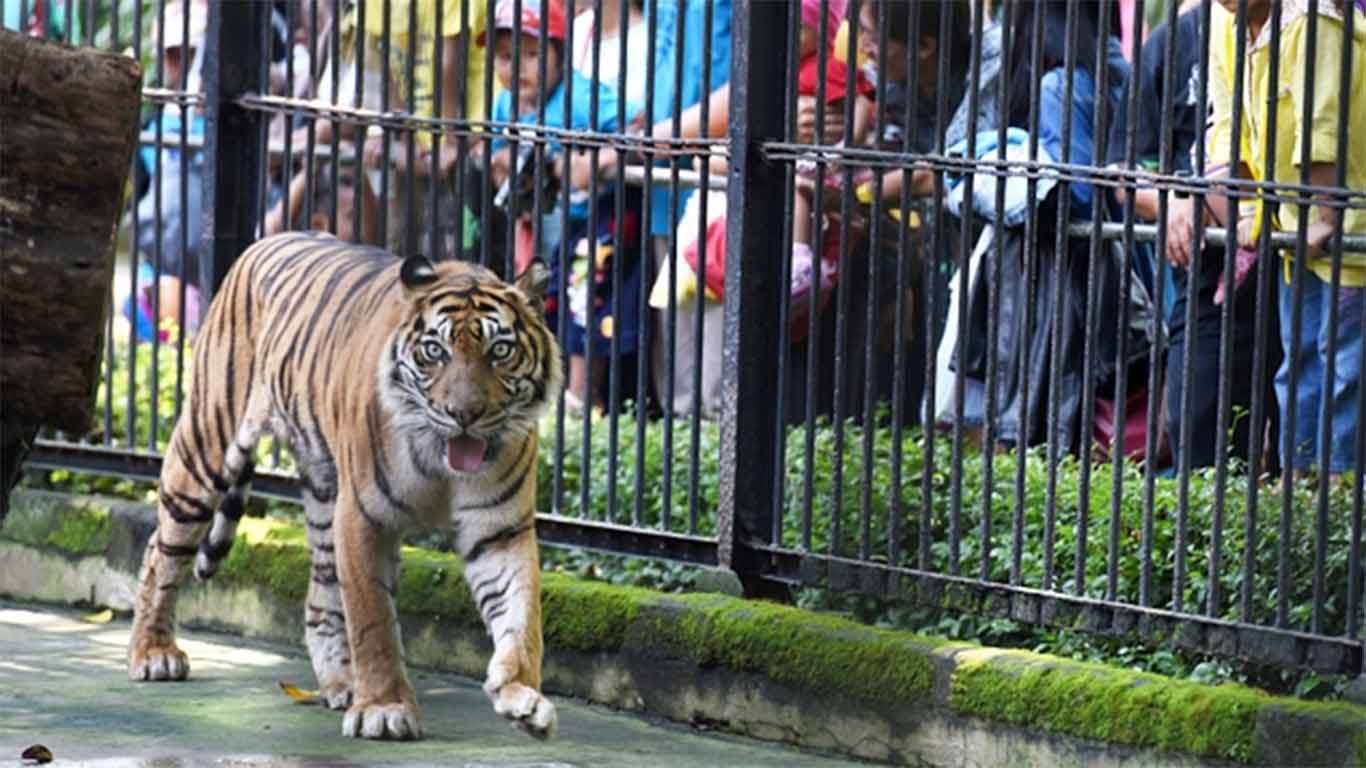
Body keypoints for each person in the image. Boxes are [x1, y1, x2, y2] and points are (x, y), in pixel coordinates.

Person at [1168, 0, 1366, 480]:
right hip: (1291, 228)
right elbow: (1230, 121)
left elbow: (1321, 125)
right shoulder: (1229, 22)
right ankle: (1300, 480)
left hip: (1342, 223)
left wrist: (1326, 215)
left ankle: (1337, 489)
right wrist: (1251, 207)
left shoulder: (1314, 18)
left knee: (1344, 368)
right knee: (1297, 363)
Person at [1106, 0, 1267, 471]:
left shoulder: (1309, 31)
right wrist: (1176, 202)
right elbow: (1125, 173)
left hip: (1296, 265)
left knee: (1299, 451)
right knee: (1199, 436)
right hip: (1212, 274)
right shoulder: (1174, 43)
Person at [484, 0, 634, 412]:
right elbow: (497, 151)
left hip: (595, 218)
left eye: (532, 54)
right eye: (505, 56)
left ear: (559, 53)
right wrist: (499, 164)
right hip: (537, 222)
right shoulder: (505, 103)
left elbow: (634, 133)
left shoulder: (582, 97)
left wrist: (596, 161)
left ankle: (582, 399)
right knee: (532, 298)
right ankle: (534, 388)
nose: (517, 67)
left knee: (585, 298)